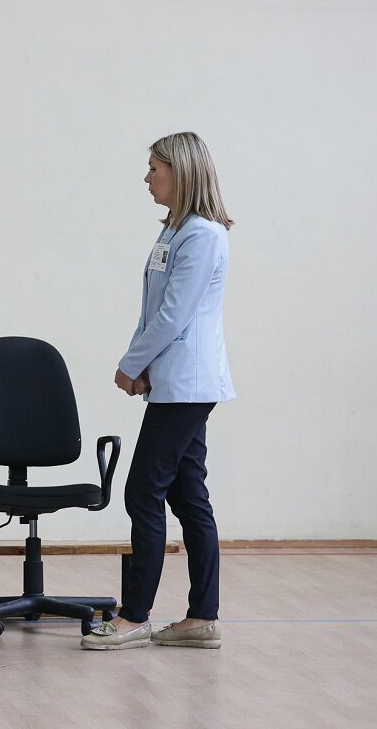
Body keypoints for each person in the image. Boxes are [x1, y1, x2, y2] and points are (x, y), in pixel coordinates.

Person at [82, 132, 235, 651]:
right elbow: (152, 311)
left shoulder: (204, 235)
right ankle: (202, 618)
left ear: (182, 172)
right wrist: (139, 365)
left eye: (154, 168)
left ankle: (134, 617)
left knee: (141, 490)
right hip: (171, 381)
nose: (147, 178)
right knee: (188, 494)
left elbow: (175, 315)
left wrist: (130, 365)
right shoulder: (174, 232)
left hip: (188, 385)